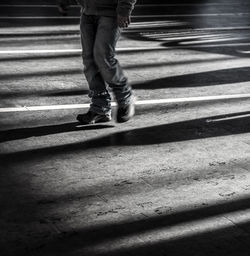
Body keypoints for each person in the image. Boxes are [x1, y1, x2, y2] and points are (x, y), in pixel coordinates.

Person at [76, 0, 136, 124]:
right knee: (89, 60)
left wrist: (124, 9)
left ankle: (125, 98)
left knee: (103, 56)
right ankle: (100, 108)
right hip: (87, 11)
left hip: (111, 12)